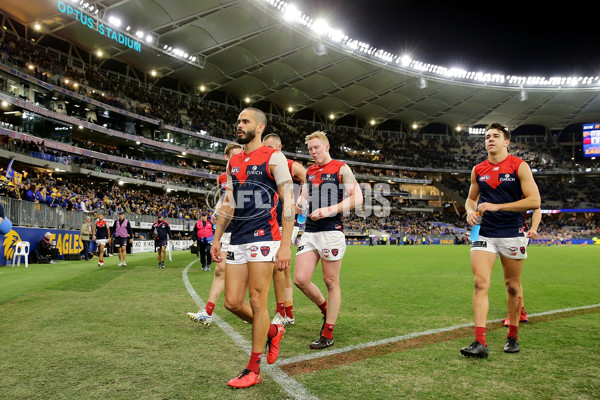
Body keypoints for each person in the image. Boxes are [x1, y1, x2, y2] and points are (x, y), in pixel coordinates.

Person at [210, 107, 294, 389]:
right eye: (238, 121)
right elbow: (229, 204)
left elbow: (289, 203)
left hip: (264, 237)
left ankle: (253, 368)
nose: (239, 125)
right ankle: (273, 331)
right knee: (232, 302)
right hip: (237, 237)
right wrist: (216, 237)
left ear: (259, 127)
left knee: (258, 302)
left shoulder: (274, 157)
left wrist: (284, 245)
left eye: (245, 122)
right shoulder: (233, 161)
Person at [460, 123, 541, 359]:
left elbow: (534, 200)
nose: (490, 139)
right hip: (484, 232)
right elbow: (470, 199)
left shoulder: (519, 166)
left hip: (513, 231)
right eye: (487, 137)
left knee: (512, 286)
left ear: (507, 142)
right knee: (480, 283)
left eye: (496, 136)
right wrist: (469, 212)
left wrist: (498, 206)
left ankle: (513, 335)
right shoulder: (478, 169)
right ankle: (479, 342)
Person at [293, 131, 364, 350]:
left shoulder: (341, 168)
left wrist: (328, 210)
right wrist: (299, 203)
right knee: (300, 279)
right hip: (311, 232)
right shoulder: (310, 171)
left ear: (326, 146)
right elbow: (304, 196)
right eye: (310, 149)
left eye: (316, 147)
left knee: (331, 281)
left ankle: (328, 332)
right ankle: (326, 309)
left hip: (331, 231)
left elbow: (358, 198)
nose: (313, 152)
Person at [187, 142, 243, 325]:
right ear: (227, 158)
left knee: (248, 274)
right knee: (220, 270)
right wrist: (216, 212)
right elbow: (223, 198)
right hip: (229, 228)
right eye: (234, 156)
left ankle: (251, 310)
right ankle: (208, 312)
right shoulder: (222, 178)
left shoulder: (249, 173)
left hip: (247, 229)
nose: (238, 158)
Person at [263, 133, 307, 326]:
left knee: (278, 267)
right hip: (270, 221)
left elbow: (311, 180)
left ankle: (281, 313)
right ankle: (287, 313)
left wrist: (302, 201)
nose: (269, 152)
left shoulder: (290, 165)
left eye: (272, 148)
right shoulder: (266, 166)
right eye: (266, 149)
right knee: (281, 269)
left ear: (280, 148)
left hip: (287, 221)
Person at [501, 207, 541, 327]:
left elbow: (536, 208)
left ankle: (517, 312)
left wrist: (534, 228)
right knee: (509, 279)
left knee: (512, 280)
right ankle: (520, 311)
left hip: (515, 233)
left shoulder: (522, 189)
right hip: (496, 232)